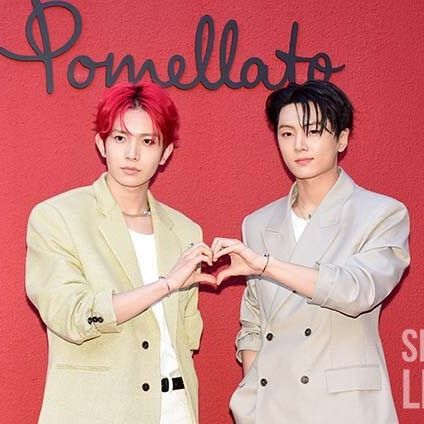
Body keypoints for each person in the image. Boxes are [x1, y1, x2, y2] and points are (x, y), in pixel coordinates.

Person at [211, 80, 410, 423]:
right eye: (287, 133)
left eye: (314, 131)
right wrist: (253, 400)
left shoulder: (381, 214)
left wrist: (267, 265)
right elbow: (253, 322)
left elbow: (356, 290)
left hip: (345, 411)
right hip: (273, 410)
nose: (299, 145)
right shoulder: (258, 224)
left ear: (342, 139)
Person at [25, 82, 215, 424]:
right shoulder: (58, 217)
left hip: (176, 409)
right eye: (120, 138)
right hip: (97, 411)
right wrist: (166, 284)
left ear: (166, 153)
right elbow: (71, 315)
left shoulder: (185, 231)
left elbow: (185, 336)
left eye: (148, 141)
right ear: (101, 144)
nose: (132, 153)